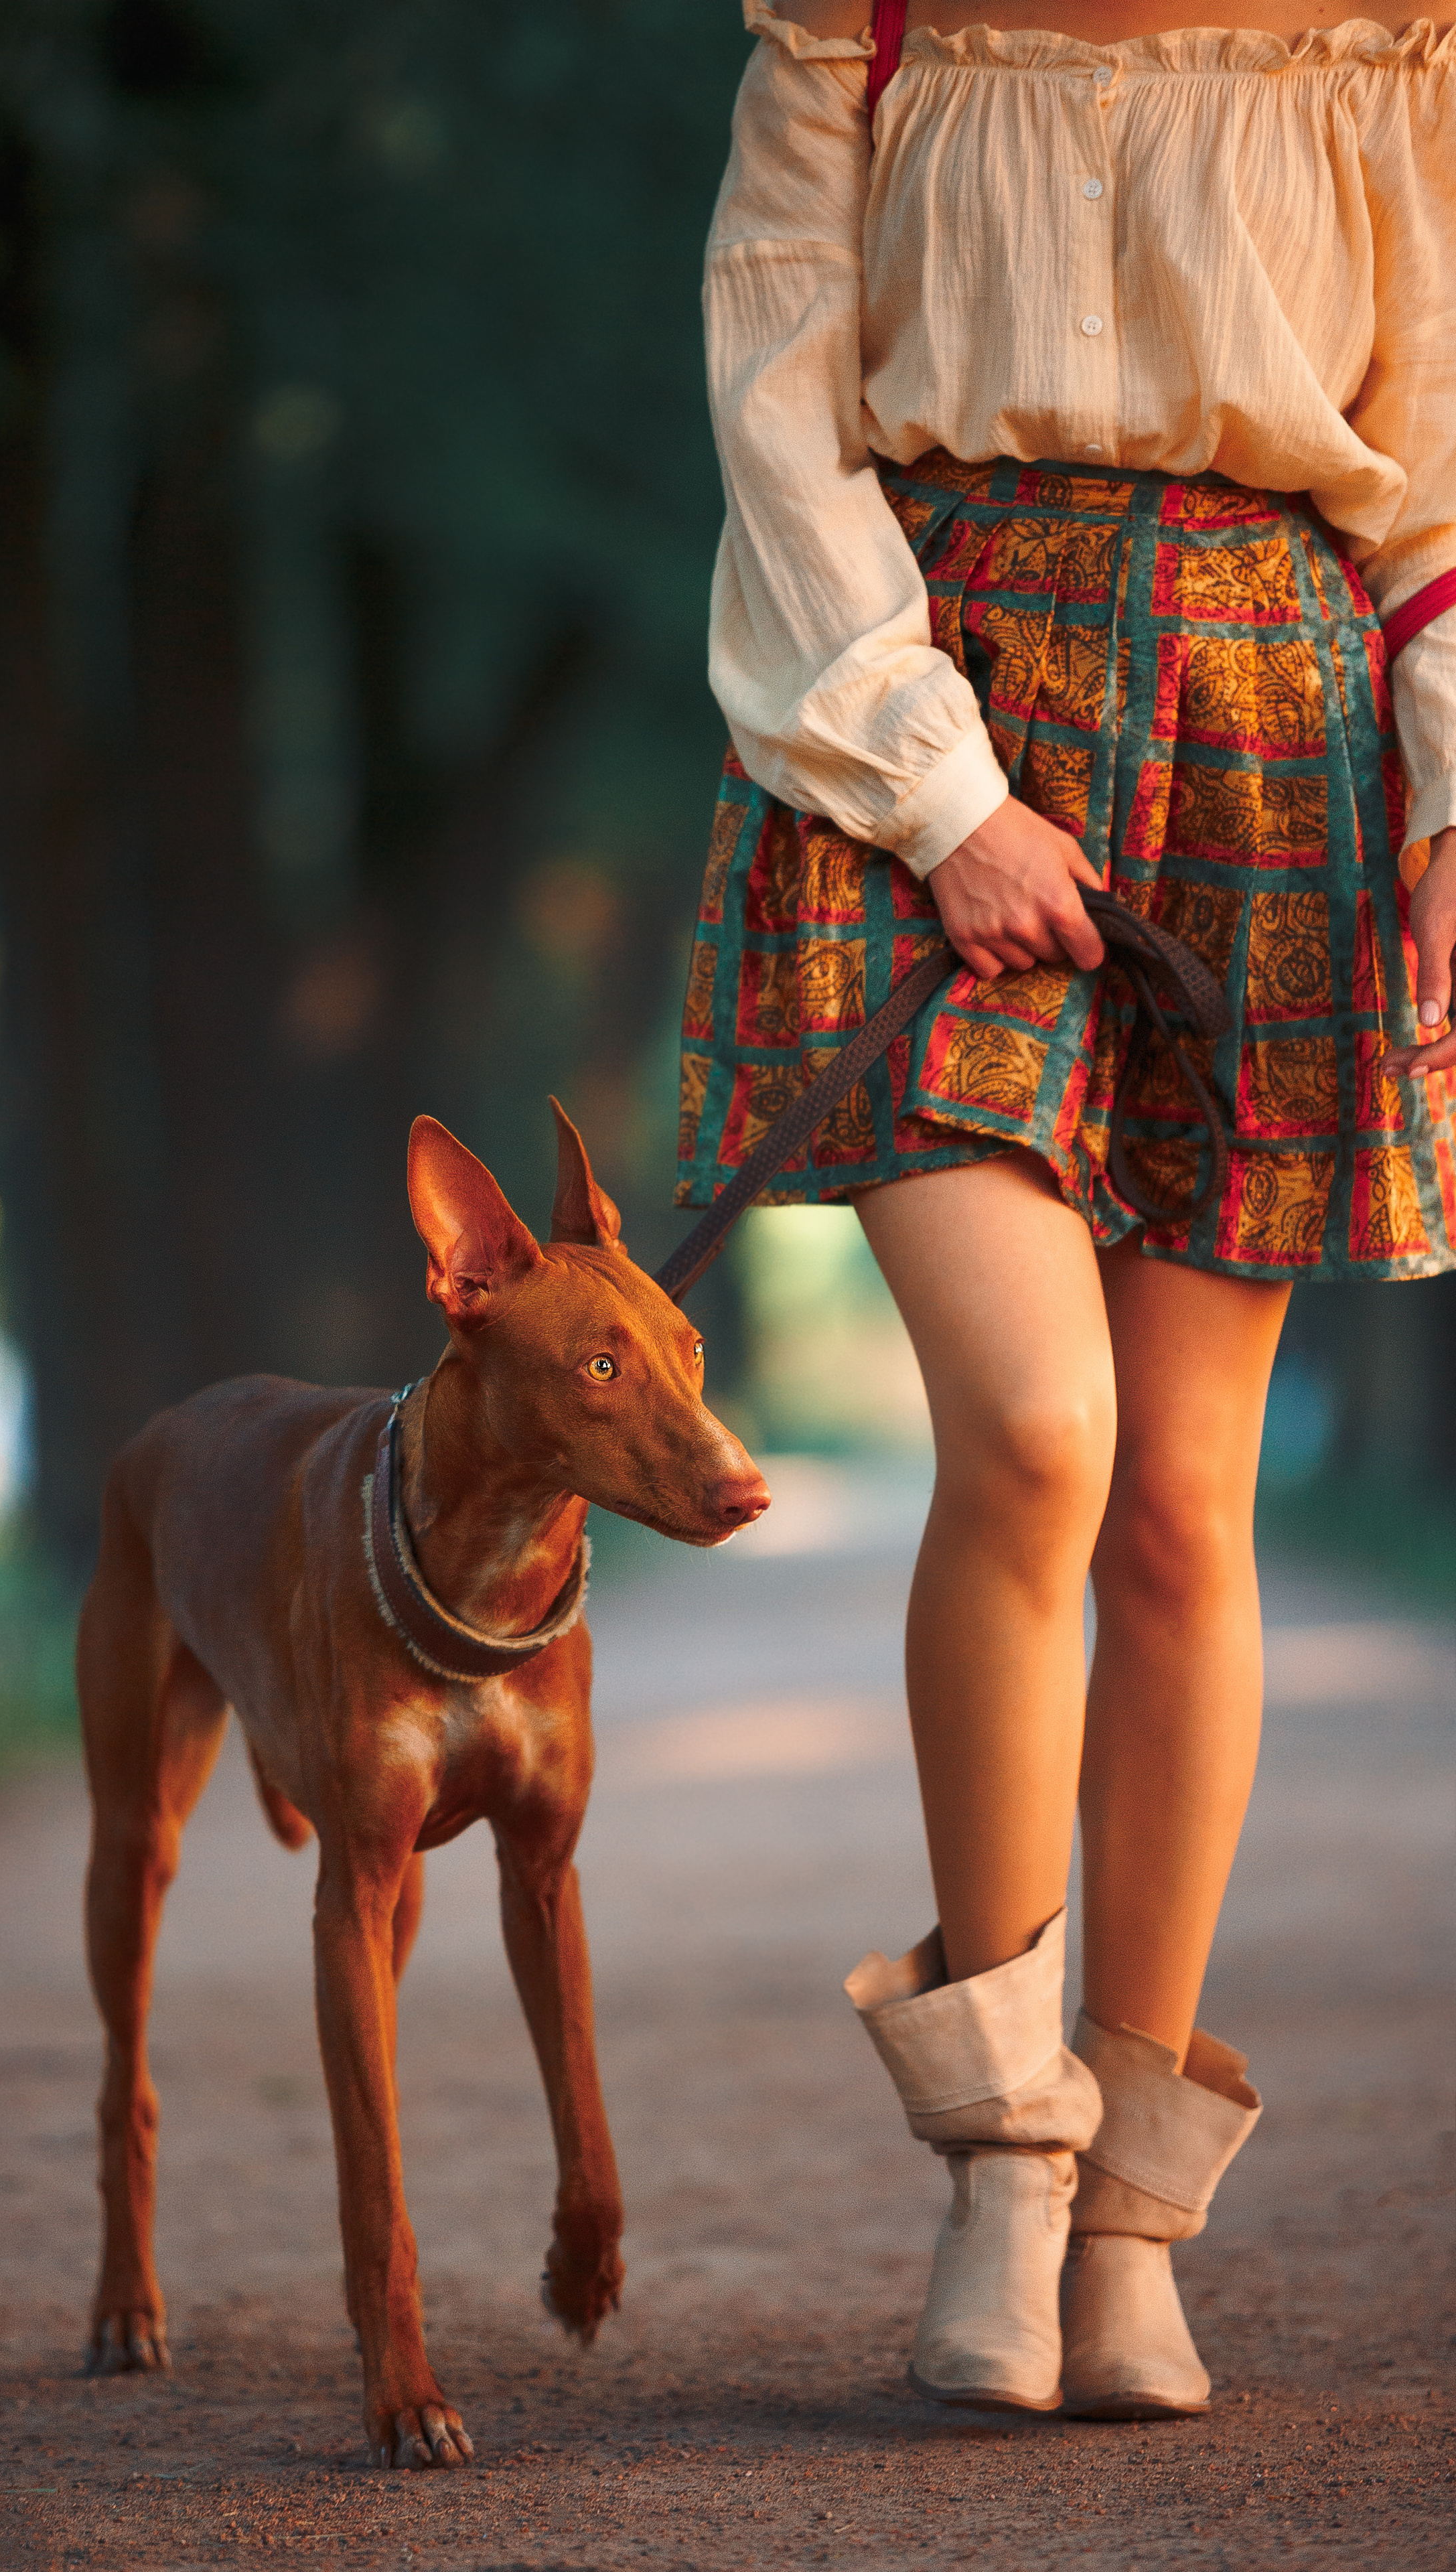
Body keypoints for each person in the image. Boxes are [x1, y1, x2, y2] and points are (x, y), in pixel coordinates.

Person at [678, 0, 1455, 2419]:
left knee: (1187, 1511)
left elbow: (1433, 468)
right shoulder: (863, 28)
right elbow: (778, 403)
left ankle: (1133, 2215)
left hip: (1273, 746)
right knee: (1036, 1434)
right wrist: (943, 793)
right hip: (936, 712)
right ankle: (1003, 2158)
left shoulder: (1387, 43)